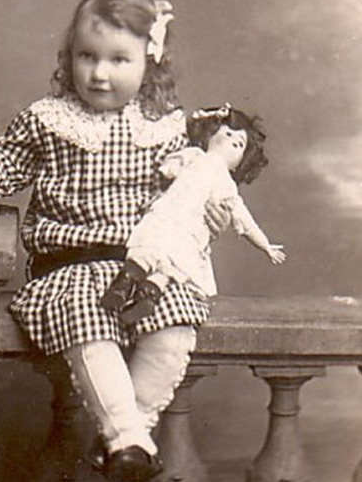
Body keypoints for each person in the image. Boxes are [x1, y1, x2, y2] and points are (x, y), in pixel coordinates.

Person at [0, 0, 229, 482]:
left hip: (140, 265)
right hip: (69, 267)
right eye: (87, 56)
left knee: (176, 322)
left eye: (119, 60)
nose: (99, 73)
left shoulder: (165, 129)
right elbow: (5, 156)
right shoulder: (51, 120)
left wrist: (209, 211)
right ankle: (125, 435)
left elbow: (186, 196)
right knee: (87, 325)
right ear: (69, 56)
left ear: (150, 61)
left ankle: (128, 435)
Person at [100, 104, 285, 324]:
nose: (231, 142)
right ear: (209, 135)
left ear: (240, 163)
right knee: (164, 261)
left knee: (159, 259)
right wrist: (168, 170)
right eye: (227, 135)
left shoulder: (226, 184)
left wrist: (265, 245)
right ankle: (138, 290)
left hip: (178, 223)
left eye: (239, 144)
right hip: (176, 222)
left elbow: (243, 219)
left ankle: (136, 289)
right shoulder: (195, 155)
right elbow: (170, 166)